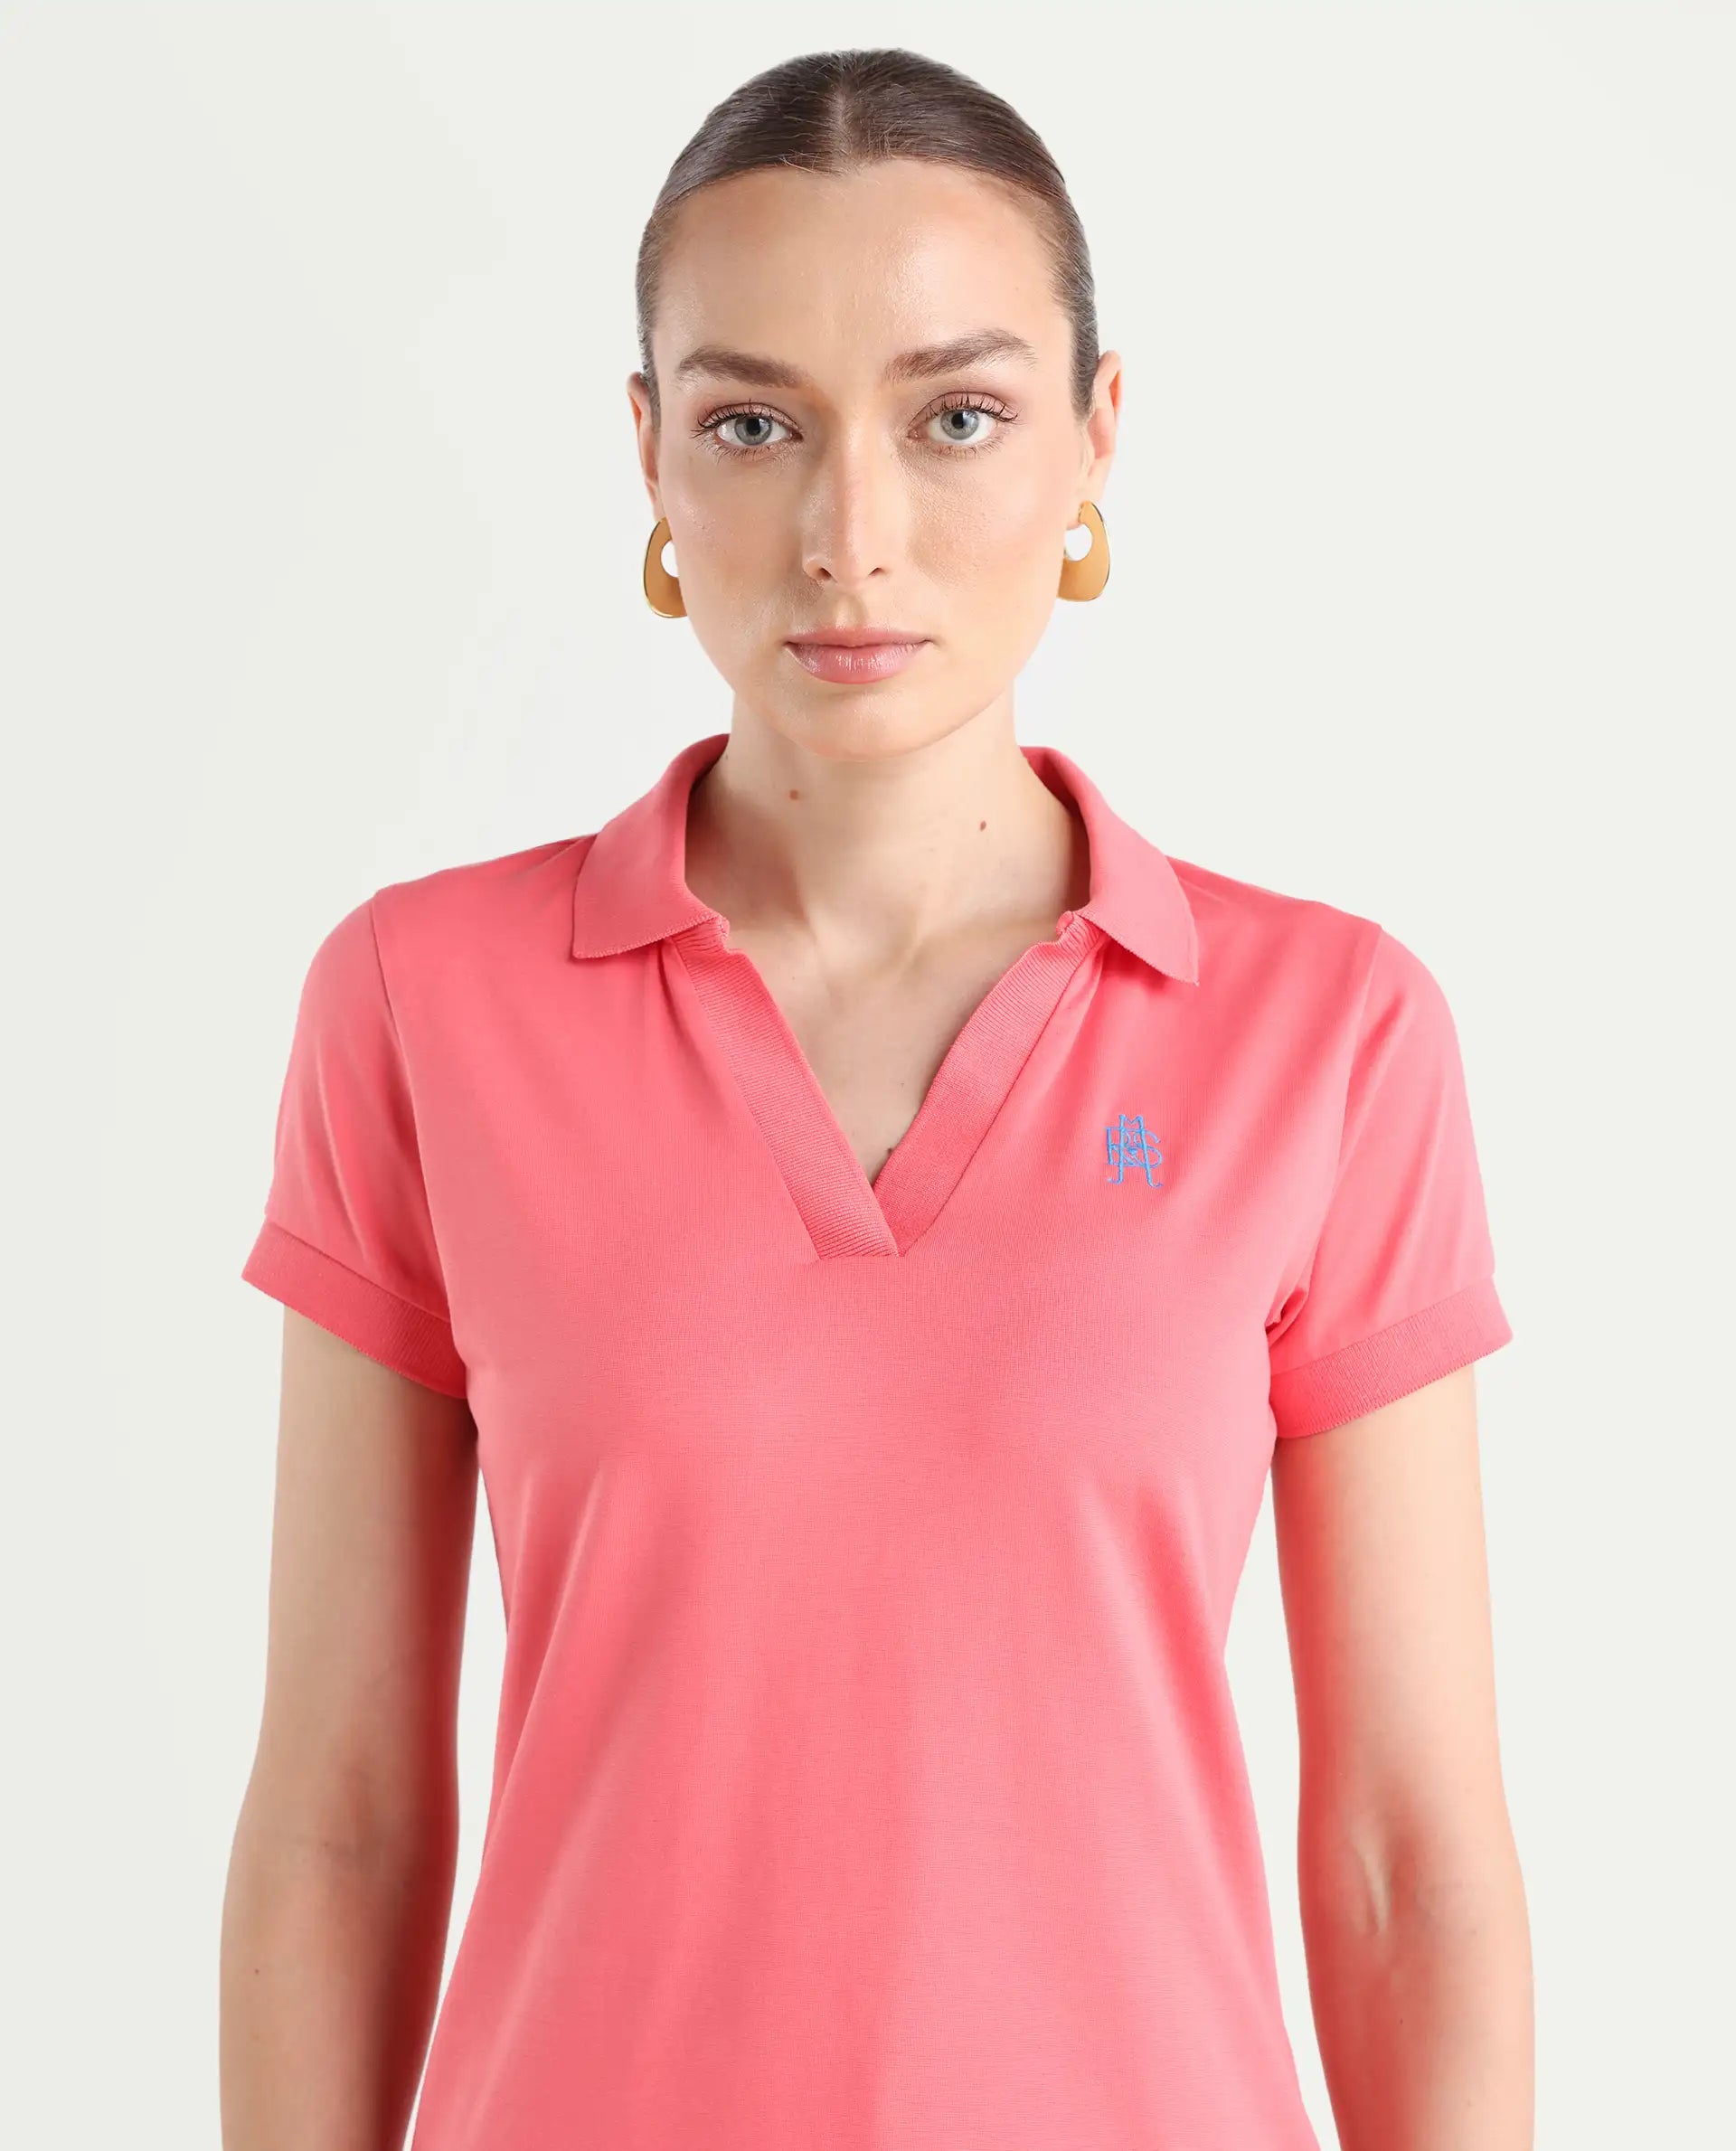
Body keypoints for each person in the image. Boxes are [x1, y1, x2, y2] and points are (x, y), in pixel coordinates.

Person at [220, 45, 1532, 2151]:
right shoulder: (421, 1004)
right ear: (650, 455)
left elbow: (1403, 1854)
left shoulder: (1329, 1032)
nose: (852, 536)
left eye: (957, 417)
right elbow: (343, 1817)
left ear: (1097, 436)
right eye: (755, 424)